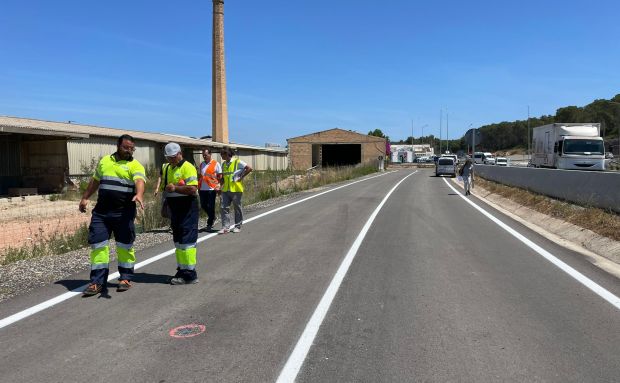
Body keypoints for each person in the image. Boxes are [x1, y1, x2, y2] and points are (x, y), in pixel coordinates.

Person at [79, 134, 146, 296]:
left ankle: (125, 278)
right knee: (98, 245)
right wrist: (85, 197)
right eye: (126, 147)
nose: (129, 151)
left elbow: (139, 181)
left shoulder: (135, 165)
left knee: (125, 246)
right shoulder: (105, 162)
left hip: (123, 213)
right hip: (101, 214)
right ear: (118, 145)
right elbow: (95, 181)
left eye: (132, 148)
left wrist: (139, 194)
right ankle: (97, 282)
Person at [162, 142, 200, 285]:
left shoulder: (188, 167)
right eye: (168, 158)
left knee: (187, 241)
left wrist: (175, 188)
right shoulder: (168, 168)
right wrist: (164, 205)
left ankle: (190, 274)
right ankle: (182, 269)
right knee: (178, 241)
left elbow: (192, 189)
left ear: (179, 154)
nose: (170, 160)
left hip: (187, 207)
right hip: (174, 208)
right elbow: (166, 190)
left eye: (173, 157)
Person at [218, 147, 252, 234]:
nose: (221, 156)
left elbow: (249, 168)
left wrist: (241, 177)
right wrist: (220, 186)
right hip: (226, 189)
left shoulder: (237, 161)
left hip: (236, 189)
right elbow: (223, 177)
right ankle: (225, 227)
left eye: (222, 154)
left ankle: (238, 225)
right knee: (224, 208)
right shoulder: (224, 164)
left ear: (227, 154)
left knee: (237, 208)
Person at [198, 148, 222, 231]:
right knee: (203, 205)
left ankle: (209, 223)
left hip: (212, 188)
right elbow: (200, 176)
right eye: (203, 155)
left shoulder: (216, 163)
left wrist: (218, 186)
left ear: (210, 154)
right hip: (202, 188)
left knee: (211, 206)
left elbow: (220, 176)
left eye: (206, 155)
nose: (204, 156)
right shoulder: (201, 164)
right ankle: (213, 216)